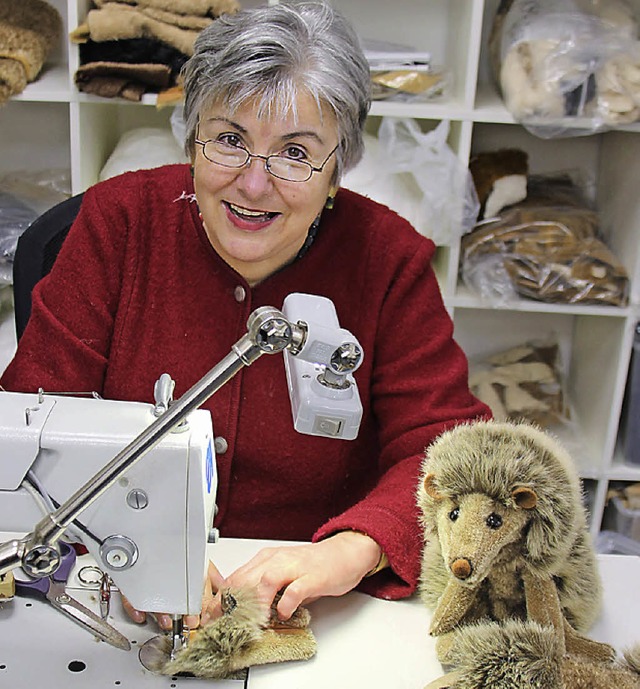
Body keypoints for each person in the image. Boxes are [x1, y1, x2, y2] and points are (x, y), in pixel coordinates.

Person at [0, 1, 489, 630]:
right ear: (192, 138)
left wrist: (354, 547)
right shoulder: (116, 223)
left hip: (322, 608)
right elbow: (36, 416)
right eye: (229, 140)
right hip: (112, 584)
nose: (253, 186)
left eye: (294, 153)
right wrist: (119, 539)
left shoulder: (388, 260)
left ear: (337, 170)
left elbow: (446, 452)